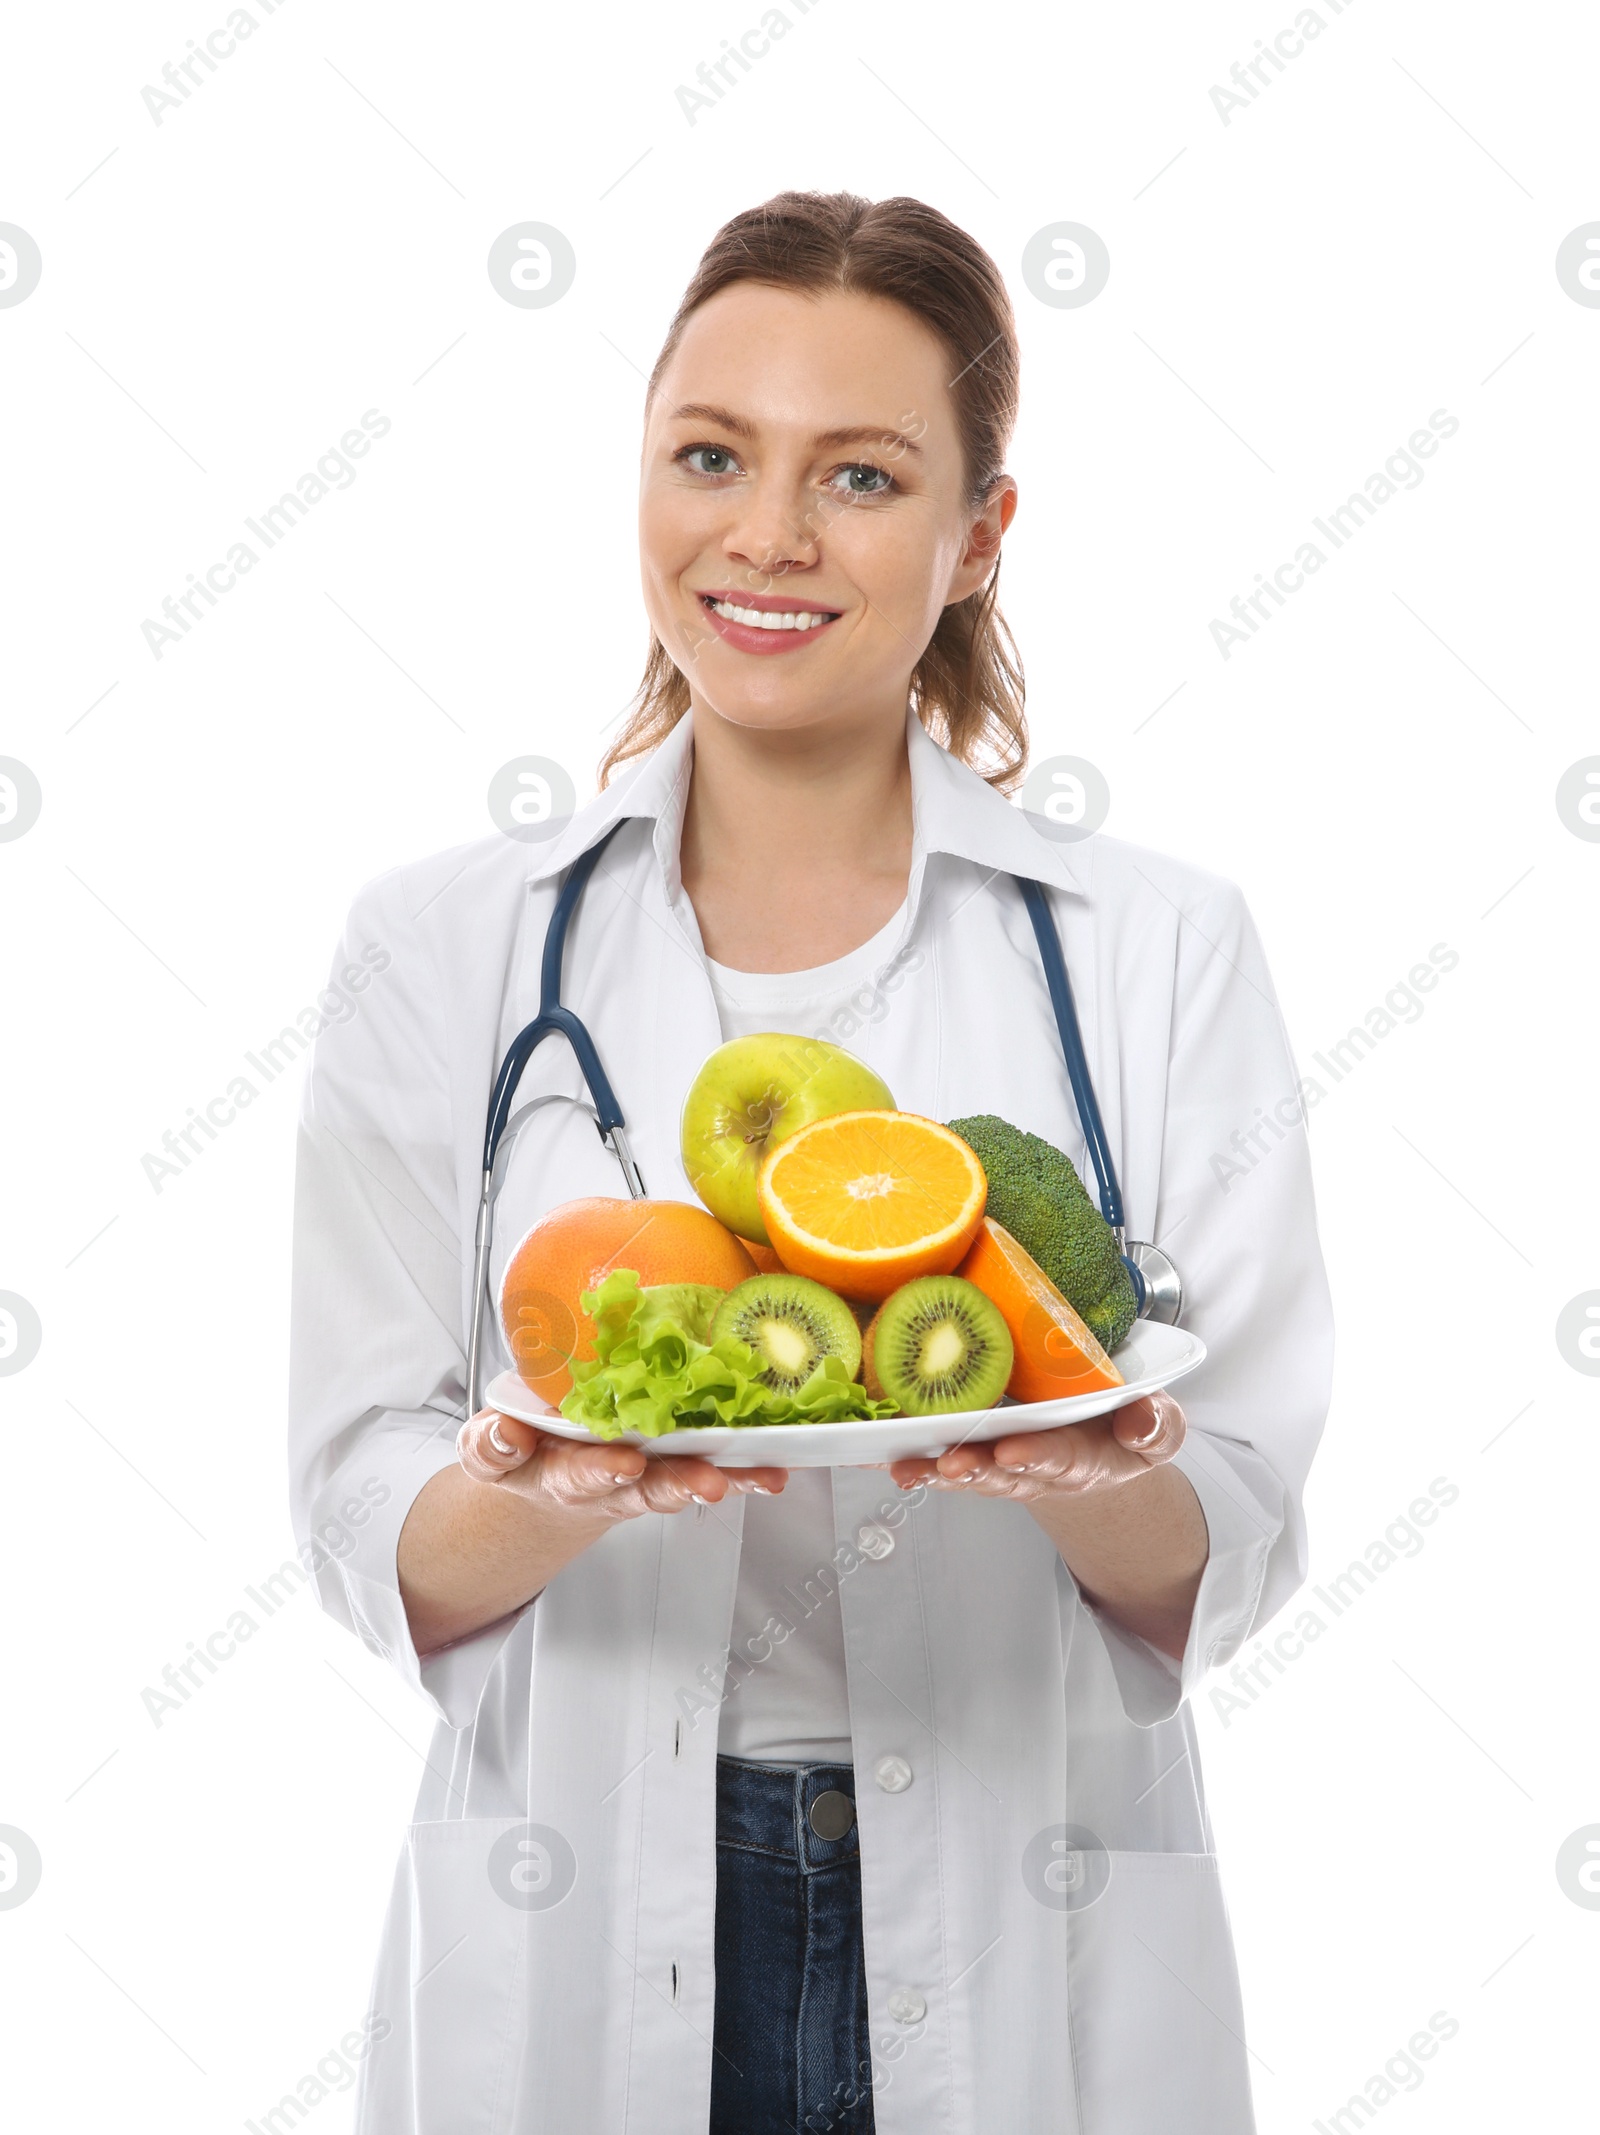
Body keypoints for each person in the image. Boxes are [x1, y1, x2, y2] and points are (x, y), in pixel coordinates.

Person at [289, 189, 1333, 2134]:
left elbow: (1242, 1527)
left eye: (856, 475)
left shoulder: (1149, 944)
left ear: (976, 536)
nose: (761, 536)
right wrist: (557, 1485)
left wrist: (1091, 1464)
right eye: (708, 457)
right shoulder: (441, 947)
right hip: (585, 1907)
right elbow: (364, 1511)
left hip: (1031, 1912)